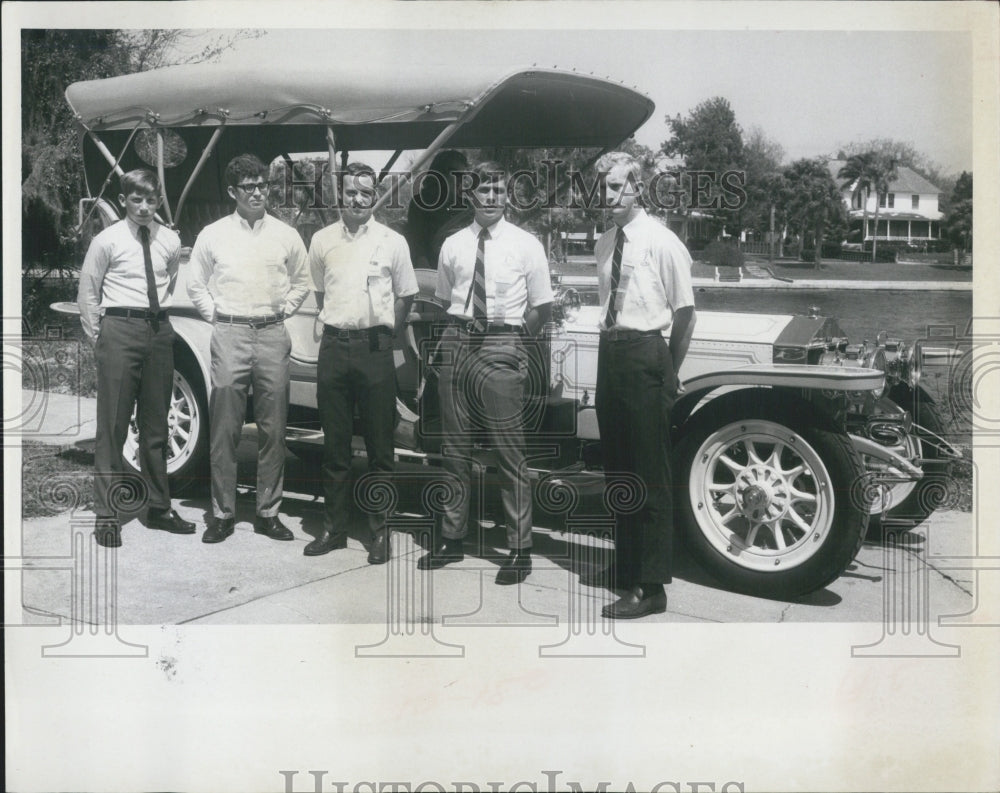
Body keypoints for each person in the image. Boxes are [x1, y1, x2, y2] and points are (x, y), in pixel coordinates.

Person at [418, 161, 553, 585]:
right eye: (483, 190)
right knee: (454, 450)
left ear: (507, 194)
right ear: (469, 195)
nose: (491, 197)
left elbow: (542, 307)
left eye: (497, 189)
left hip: (503, 342)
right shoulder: (453, 244)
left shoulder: (527, 244)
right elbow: (443, 300)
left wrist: (511, 341)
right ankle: (452, 537)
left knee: (509, 453)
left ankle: (519, 548)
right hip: (458, 341)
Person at [586, 151, 697, 619]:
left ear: (637, 187)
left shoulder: (662, 241)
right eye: (602, 189)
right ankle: (627, 566)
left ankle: (651, 586)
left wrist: (667, 374)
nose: (608, 196)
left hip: (648, 356)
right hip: (611, 354)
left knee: (650, 474)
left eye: (616, 187)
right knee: (619, 470)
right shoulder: (605, 243)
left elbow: (685, 313)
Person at [187, 154, 310, 544]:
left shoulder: (286, 234)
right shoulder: (213, 234)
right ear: (232, 192)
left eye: (263, 185)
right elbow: (196, 285)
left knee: (275, 429)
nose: (258, 192)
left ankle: (267, 512)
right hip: (230, 334)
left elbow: (302, 281)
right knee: (225, 428)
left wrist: (281, 313)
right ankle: (222, 513)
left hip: (273, 335)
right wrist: (218, 318)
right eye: (249, 187)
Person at [306, 162, 418, 562]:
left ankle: (380, 533)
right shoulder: (321, 241)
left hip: (375, 350)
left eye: (365, 193)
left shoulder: (393, 241)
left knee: (380, 448)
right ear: (342, 195)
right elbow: (321, 295)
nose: (357, 199)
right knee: (334, 446)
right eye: (351, 192)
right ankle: (334, 529)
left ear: (375, 197)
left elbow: (406, 295)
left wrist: (385, 334)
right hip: (334, 348)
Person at [77, 168, 196, 547]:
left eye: (150, 200)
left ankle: (159, 507)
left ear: (158, 200)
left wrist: (155, 324)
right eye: (136, 200)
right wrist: (103, 337)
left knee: (156, 424)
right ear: (124, 200)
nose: (144, 208)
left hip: (159, 332)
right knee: (113, 427)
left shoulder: (170, 241)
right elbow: (88, 293)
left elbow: (170, 283)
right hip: (119, 330)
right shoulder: (106, 240)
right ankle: (107, 515)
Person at [404, 149, 473, 270]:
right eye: (456, 174)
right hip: (432, 270)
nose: (461, 180)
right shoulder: (421, 203)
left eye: (463, 176)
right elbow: (418, 245)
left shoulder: (467, 207)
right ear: (440, 174)